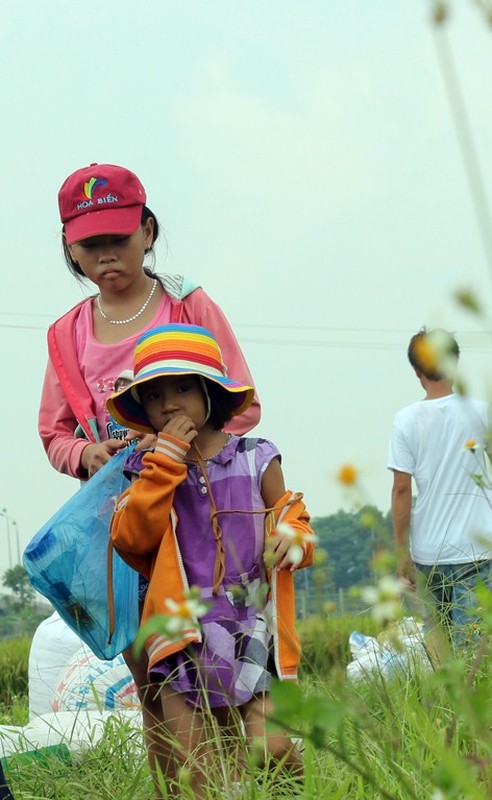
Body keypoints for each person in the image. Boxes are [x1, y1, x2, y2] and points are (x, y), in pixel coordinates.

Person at [37, 162, 261, 789]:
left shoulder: (188, 305)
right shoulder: (66, 334)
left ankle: (235, 784)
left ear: (147, 231)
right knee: (153, 677)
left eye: (120, 237)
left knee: (218, 668)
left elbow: (242, 405)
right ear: (70, 248)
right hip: (130, 536)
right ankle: (178, 788)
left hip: (200, 526)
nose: (107, 255)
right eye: (89, 244)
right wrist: (88, 456)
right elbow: (54, 435)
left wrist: (179, 446)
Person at [108, 323, 315, 798]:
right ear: (144, 410)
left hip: (251, 626)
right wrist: (166, 462)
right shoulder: (147, 471)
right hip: (182, 634)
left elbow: (292, 518)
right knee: (198, 774)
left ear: (212, 393)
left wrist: (292, 538)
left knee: (274, 748)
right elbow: (131, 537)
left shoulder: (255, 457)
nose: (170, 404)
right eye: (155, 395)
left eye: (183, 388)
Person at [388, 327, 492, 648]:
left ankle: (441, 699)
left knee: (438, 644)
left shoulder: (405, 420)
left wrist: (401, 550)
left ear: (417, 371)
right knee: (474, 650)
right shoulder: (481, 412)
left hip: (428, 553)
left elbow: (401, 490)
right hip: (477, 550)